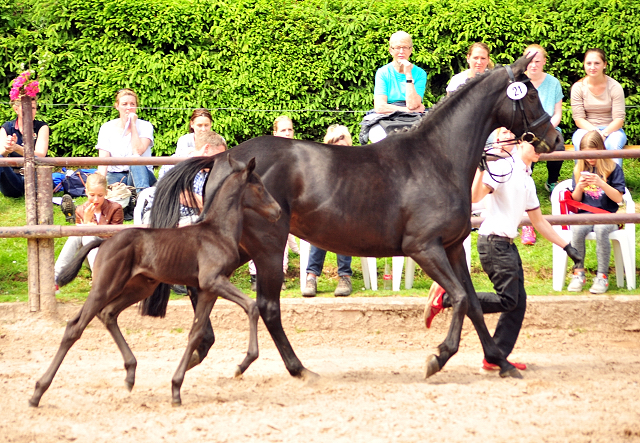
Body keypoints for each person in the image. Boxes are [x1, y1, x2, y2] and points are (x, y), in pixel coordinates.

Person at [424, 138, 581, 371]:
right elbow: (475, 197)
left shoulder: (526, 179)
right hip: (494, 243)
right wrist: (479, 169)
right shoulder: (502, 167)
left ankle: (494, 356)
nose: (539, 149)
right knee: (509, 300)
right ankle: (447, 298)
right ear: (520, 144)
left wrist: (567, 247)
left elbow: (538, 221)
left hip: (507, 245)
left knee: (518, 303)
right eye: (535, 144)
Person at [567, 130, 625, 294]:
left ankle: (602, 276)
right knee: (577, 228)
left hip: (607, 216)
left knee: (601, 230)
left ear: (601, 150)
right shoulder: (579, 169)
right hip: (585, 215)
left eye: (593, 154)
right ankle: (578, 273)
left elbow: (618, 199)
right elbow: (576, 200)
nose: (590, 159)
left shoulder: (613, 169)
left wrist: (601, 183)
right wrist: (578, 187)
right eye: (586, 155)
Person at [302, 125, 354, 297]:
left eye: (344, 147)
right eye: (335, 147)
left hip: (350, 217)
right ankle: (311, 276)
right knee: (321, 227)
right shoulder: (321, 168)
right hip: (326, 216)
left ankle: (345, 276)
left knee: (343, 226)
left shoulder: (356, 167)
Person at [520, 44, 565, 245]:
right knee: (524, 152)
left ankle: (552, 181)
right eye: (530, 60)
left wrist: (546, 129)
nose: (534, 64)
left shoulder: (553, 83)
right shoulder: (517, 82)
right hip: (523, 130)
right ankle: (524, 196)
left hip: (548, 127)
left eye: (538, 60)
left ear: (544, 61)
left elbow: (558, 114)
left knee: (560, 146)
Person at [248, 115, 299, 291]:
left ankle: (279, 276)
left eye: (289, 130)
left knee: (282, 238)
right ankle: (256, 276)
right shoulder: (265, 153)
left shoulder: (299, 154)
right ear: (275, 132)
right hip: (266, 206)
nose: (287, 133)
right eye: (283, 130)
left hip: (288, 207)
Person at [54, 173, 124, 289]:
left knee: (87, 235)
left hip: (109, 255)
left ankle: (99, 279)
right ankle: (55, 278)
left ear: (106, 193)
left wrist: (94, 229)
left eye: (100, 195)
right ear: (86, 192)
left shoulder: (115, 208)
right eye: (92, 195)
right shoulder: (80, 210)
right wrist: (86, 223)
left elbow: (117, 239)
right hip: (89, 256)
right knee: (78, 234)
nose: (96, 199)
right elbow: (78, 241)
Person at [363, 31, 427, 143]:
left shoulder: (420, 73)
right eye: (397, 47)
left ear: (410, 50)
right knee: (380, 137)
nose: (401, 51)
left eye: (405, 47)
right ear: (391, 50)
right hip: (388, 116)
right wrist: (406, 110)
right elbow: (380, 107)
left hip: (412, 117)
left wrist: (408, 75)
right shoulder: (383, 72)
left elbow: (412, 104)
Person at [571, 48, 626, 167]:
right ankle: (582, 179)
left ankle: (615, 183)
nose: (592, 67)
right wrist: (595, 132)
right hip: (586, 128)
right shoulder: (578, 87)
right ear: (584, 65)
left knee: (613, 145)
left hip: (612, 130)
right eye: (589, 63)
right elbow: (579, 119)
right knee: (579, 141)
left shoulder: (615, 87)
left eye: (597, 63)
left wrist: (604, 133)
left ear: (604, 65)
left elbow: (619, 119)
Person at [96, 88, 156, 193]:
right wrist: (101, 183)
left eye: (132, 104)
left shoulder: (146, 126)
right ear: (117, 106)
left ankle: (143, 200)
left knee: (135, 161)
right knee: (115, 196)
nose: (129, 108)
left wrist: (132, 124)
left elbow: (137, 151)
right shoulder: (107, 128)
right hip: (115, 175)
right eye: (124, 104)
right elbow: (103, 160)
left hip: (142, 174)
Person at [0, 96, 50, 197]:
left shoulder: (42, 127)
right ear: (16, 109)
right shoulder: (6, 127)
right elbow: (1, 154)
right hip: (13, 178)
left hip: (36, 177)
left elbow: (40, 155)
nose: (30, 111)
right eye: (26, 108)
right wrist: (8, 148)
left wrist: (17, 148)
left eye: (33, 108)